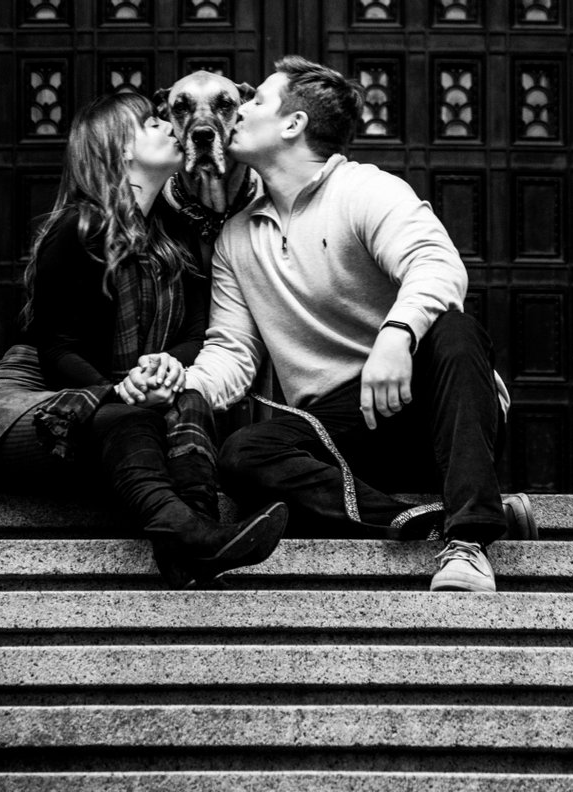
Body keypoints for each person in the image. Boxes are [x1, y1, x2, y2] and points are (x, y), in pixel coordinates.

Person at [184, 55, 520, 593]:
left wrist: (397, 336)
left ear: (292, 125)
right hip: (342, 433)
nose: (239, 112)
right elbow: (232, 350)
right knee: (244, 454)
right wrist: (181, 387)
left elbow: (437, 266)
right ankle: (421, 519)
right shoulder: (236, 238)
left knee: (454, 330)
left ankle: (469, 541)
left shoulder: (365, 190)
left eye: (256, 102)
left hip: (430, 404)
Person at [0, 91, 287, 587]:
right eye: (152, 123)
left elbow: (196, 334)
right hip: (30, 406)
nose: (169, 127)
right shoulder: (78, 227)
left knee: (190, 398)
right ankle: (197, 538)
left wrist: (166, 367)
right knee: (133, 415)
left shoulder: (175, 237)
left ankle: (191, 549)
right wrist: (120, 390)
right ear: (119, 150)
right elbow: (55, 349)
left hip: (118, 408)